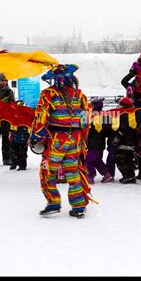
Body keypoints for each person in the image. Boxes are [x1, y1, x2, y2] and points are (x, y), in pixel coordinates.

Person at [30, 64, 91, 219]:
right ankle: (78, 206)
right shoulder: (80, 96)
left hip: (56, 141)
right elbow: (85, 122)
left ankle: (53, 203)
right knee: (72, 173)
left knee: (48, 171)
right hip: (75, 140)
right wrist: (83, 141)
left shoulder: (48, 94)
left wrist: (36, 137)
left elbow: (41, 117)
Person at [85, 98, 114, 184]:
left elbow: (87, 129)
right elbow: (109, 130)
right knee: (98, 160)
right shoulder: (106, 116)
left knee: (89, 160)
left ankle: (90, 176)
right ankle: (107, 175)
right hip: (101, 142)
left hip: (92, 141)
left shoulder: (91, 116)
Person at [112, 96, 138, 184]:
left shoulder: (124, 115)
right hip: (132, 141)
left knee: (121, 160)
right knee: (129, 159)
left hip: (124, 141)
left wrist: (117, 138)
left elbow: (123, 129)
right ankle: (131, 175)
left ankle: (128, 176)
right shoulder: (133, 113)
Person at [8, 100, 29, 171]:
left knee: (22, 152)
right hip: (14, 137)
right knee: (12, 151)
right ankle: (14, 163)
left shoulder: (26, 116)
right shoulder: (12, 115)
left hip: (23, 138)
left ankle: (22, 165)